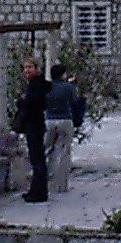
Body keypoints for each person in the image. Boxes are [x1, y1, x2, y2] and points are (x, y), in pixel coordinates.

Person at [17, 58, 51, 202]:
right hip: (34, 123)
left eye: (30, 67)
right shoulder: (35, 84)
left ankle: (39, 193)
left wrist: (21, 103)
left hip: (34, 123)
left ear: (37, 68)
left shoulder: (37, 85)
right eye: (25, 67)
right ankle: (35, 190)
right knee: (36, 159)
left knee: (37, 160)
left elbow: (34, 104)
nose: (27, 70)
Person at [43, 64, 80, 193]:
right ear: (63, 74)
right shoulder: (68, 87)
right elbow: (75, 101)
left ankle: (46, 180)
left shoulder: (46, 87)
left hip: (49, 120)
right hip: (65, 119)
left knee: (47, 151)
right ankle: (62, 185)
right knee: (65, 152)